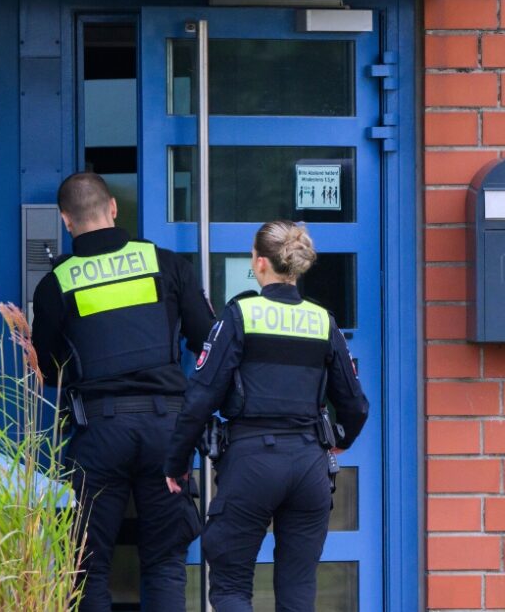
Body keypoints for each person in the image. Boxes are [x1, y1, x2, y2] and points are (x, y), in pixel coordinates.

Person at [163, 220, 370, 612]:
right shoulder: (322, 320)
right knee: (298, 591)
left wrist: (176, 462)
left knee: (231, 587)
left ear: (259, 262)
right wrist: (339, 440)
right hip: (309, 464)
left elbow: (200, 397)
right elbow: (355, 404)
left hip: (251, 463)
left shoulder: (240, 314)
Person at [31, 172, 215, 612]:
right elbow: (208, 341)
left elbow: (47, 369)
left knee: (87, 566)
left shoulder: (56, 284)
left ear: (65, 220)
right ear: (113, 208)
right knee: (165, 562)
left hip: (99, 434)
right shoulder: (166, 264)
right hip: (166, 432)